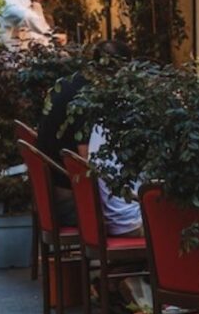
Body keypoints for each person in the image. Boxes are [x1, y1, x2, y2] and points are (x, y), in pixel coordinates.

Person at [36, 40, 133, 226]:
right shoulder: (88, 98)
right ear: (119, 71)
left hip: (52, 191)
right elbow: (86, 159)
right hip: (72, 201)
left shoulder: (66, 84)